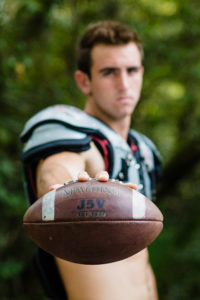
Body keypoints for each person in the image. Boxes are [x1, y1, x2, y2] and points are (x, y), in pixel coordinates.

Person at [21, 21, 162, 300]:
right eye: (109, 72)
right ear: (84, 81)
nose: (124, 83)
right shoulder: (68, 126)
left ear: (141, 73)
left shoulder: (143, 151)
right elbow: (57, 168)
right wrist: (69, 189)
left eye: (131, 70)